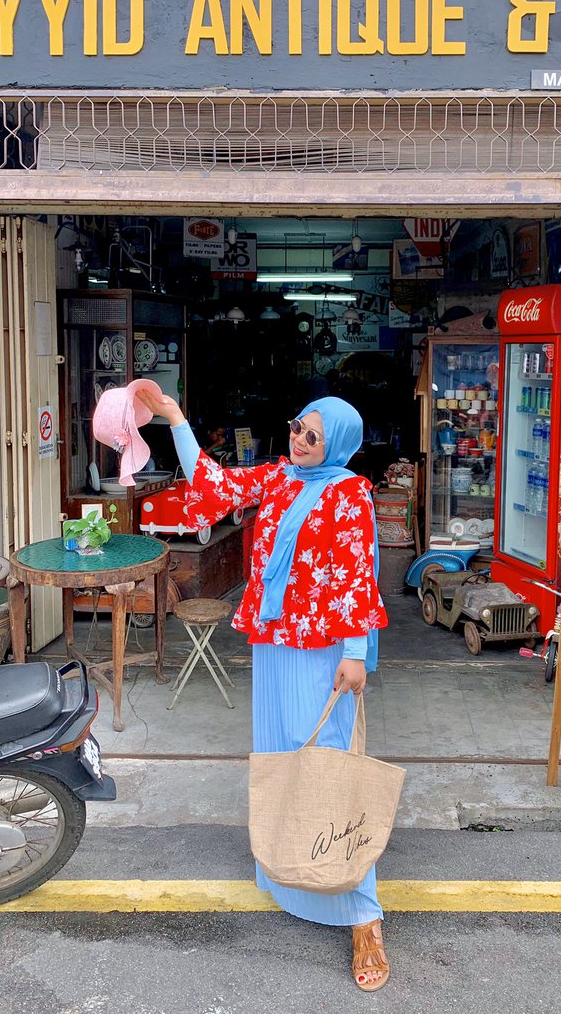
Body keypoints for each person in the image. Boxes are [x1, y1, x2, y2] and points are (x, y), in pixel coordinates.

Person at [135, 391, 391, 993]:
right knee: (281, 756)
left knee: (328, 765)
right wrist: (175, 419)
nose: (299, 442)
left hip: (324, 650)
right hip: (276, 645)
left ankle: (363, 914)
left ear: (341, 446)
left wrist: (355, 654)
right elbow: (215, 486)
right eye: (297, 428)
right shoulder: (279, 476)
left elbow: (357, 574)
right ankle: (289, 870)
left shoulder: (350, 493)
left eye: (313, 438)